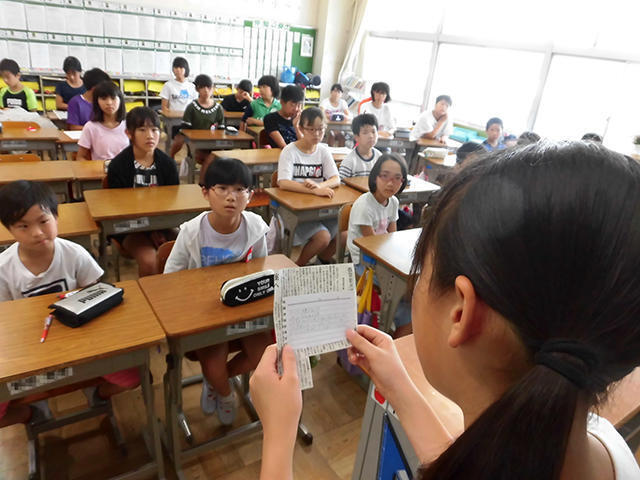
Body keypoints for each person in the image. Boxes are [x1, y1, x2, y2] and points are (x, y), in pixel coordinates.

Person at [250, 141, 640, 480]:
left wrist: (279, 439)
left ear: (460, 312)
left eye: (422, 272)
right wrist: (400, 387)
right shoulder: (609, 448)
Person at [0, 181, 140, 423]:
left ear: (56, 216)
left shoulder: (74, 254)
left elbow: (95, 295)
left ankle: (99, 395)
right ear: (9, 229)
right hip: (30, 352)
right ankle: (32, 414)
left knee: (135, 376)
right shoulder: (4, 268)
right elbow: (6, 323)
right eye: (23, 226)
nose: (36, 232)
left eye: (43, 221)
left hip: (80, 344)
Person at [164, 158, 271, 425]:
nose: (230, 197)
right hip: (206, 313)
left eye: (239, 190)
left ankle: (218, 382)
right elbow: (169, 279)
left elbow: (261, 270)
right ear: (205, 192)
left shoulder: (256, 227)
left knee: (265, 355)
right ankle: (224, 392)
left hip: (244, 310)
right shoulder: (191, 232)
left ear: (251, 195)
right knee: (213, 365)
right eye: (221, 188)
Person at [106, 107, 179, 277]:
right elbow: (117, 208)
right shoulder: (118, 166)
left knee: (188, 249)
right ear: (129, 133)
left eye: (154, 130)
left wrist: (159, 228)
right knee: (149, 260)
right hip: (129, 227)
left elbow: (173, 202)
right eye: (142, 130)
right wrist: (150, 230)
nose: (150, 135)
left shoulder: (167, 164)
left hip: (163, 223)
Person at [346, 154, 413, 338]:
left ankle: (398, 322)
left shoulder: (393, 202)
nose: (390, 183)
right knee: (403, 287)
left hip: (383, 256)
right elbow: (372, 245)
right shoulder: (364, 205)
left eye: (397, 178)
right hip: (365, 261)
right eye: (385, 176)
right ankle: (389, 322)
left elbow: (392, 236)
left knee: (411, 286)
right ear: (375, 177)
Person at [277, 107, 339, 266]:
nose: (317, 134)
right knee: (323, 237)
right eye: (311, 130)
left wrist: (320, 186)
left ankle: (321, 261)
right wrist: (315, 191)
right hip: (294, 211)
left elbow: (335, 178)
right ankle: (299, 266)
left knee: (343, 230)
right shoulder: (289, 151)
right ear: (301, 128)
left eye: (321, 129)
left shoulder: (323, 150)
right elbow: (283, 182)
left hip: (318, 208)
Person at [173, 74, 224, 183]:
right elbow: (185, 131)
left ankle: (206, 182)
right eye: (202, 87)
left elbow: (221, 130)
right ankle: (202, 183)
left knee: (215, 156)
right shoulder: (192, 107)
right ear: (197, 89)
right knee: (209, 157)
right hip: (196, 146)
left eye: (209, 87)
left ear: (212, 89)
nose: (206, 90)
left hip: (214, 145)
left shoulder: (218, 108)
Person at [77, 81, 128, 162]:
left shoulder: (129, 125)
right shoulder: (91, 127)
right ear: (97, 102)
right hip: (100, 172)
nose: (109, 103)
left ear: (120, 100)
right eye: (104, 99)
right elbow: (80, 158)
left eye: (113, 98)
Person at [338, 113, 382, 179]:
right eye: (365, 133)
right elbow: (341, 184)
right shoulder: (350, 161)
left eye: (373, 132)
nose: (371, 136)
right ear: (356, 137)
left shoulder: (380, 157)